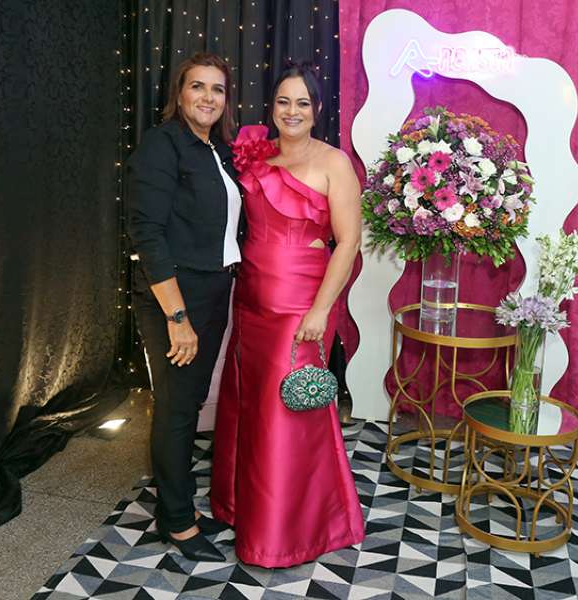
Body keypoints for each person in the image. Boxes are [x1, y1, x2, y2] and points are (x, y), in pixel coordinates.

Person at [210, 63, 366, 567]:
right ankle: (241, 508)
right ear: (272, 106)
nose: (291, 111)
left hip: (301, 305)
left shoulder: (334, 162)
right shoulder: (255, 151)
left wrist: (321, 310)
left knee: (289, 408)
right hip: (251, 299)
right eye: (283, 101)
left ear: (317, 110)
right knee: (249, 403)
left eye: (302, 103)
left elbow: (348, 243)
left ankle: (286, 532)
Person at [127, 52, 241, 563]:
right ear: (180, 92)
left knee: (189, 402)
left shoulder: (216, 150)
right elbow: (147, 233)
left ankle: (180, 505)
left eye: (217, 89)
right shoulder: (162, 144)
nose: (208, 97)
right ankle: (176, 521)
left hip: (212, 288)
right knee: (176, 407)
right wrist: (177, 318)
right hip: (175, 295)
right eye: (198, 86)